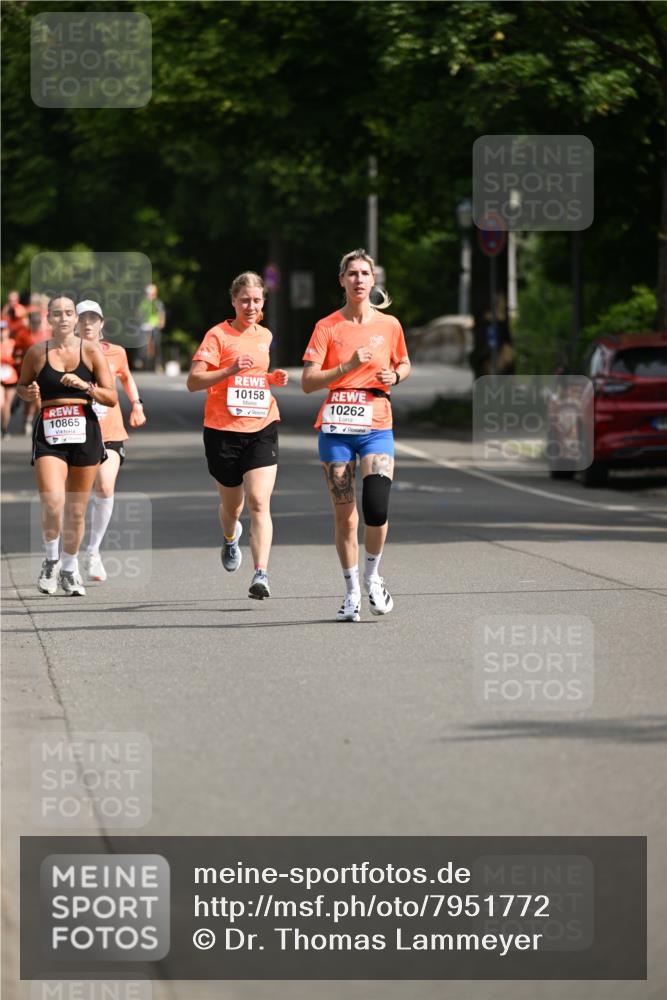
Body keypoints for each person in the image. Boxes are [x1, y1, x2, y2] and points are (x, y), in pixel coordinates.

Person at [301, 248, 411, 622]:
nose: (359, 279)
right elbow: (307, 382)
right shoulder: (327, 327)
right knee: (346, 516)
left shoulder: (390, 325)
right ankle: (350, 592)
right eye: (352, 274)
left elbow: (404, 362)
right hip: (336, 431)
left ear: (373, 280)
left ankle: (372, 576)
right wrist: (347, 366)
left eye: (365, 273)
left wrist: (395, 377)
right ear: (342, 281)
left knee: (376, 509)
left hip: (377, 425)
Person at [187, 271, 288, 599]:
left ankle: (261, 574)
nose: (251, 305)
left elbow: (255, 377)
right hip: (222, 431)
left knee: (259, 500)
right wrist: (230, 369)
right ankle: (230, 538)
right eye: (244, 300)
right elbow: (194, 381)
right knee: (232, 507)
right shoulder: (218, 335)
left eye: (257, 300)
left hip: (262, 425)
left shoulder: (265, 336)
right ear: (233, 301)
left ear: (263, 302)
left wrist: (272, 379)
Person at [16, 295, 117, 596]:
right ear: (48, 319)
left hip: (85, 429)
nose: (63, 318)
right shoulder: (37, 352)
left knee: (76, 509)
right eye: (57, 313)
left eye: (69, 313)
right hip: (50, 430)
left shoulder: (91, 351)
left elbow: (111, 397)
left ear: (76, 319)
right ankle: (51, 560)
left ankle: (70, 568)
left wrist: (85, 386)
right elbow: (22, 386)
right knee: (52, 500)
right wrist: (28, 391)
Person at [76, 300, 147, 582]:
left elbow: (127, 377)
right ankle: (66, 555)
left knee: (105, 486)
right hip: (77, 433)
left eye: (94, 319)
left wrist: (137, 404)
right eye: (84, 318)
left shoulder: (115, 352)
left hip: (111, 431)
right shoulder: (65, 353)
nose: (89, 324)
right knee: (78, 497)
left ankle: (93, 552)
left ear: (102, 323)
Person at [136, 283, 166, 371]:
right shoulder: (143, 303)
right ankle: (140, 359)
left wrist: (161, 322)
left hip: (154, 326)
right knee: (141, 343)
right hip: (144, 326)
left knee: (156, 344)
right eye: (148, 294)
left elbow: (161, 313)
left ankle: (158, 364)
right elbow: (138, 313)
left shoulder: (158, 303)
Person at [1, 320, 18, 437]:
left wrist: (10, 360)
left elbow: (18, 359)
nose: (2, 333)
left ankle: (5, 428)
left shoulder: (13, 343)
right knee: (1, 403)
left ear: (8, 331)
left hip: (11, 377)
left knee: (7, 405)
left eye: (3, 330)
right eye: (0, 330)